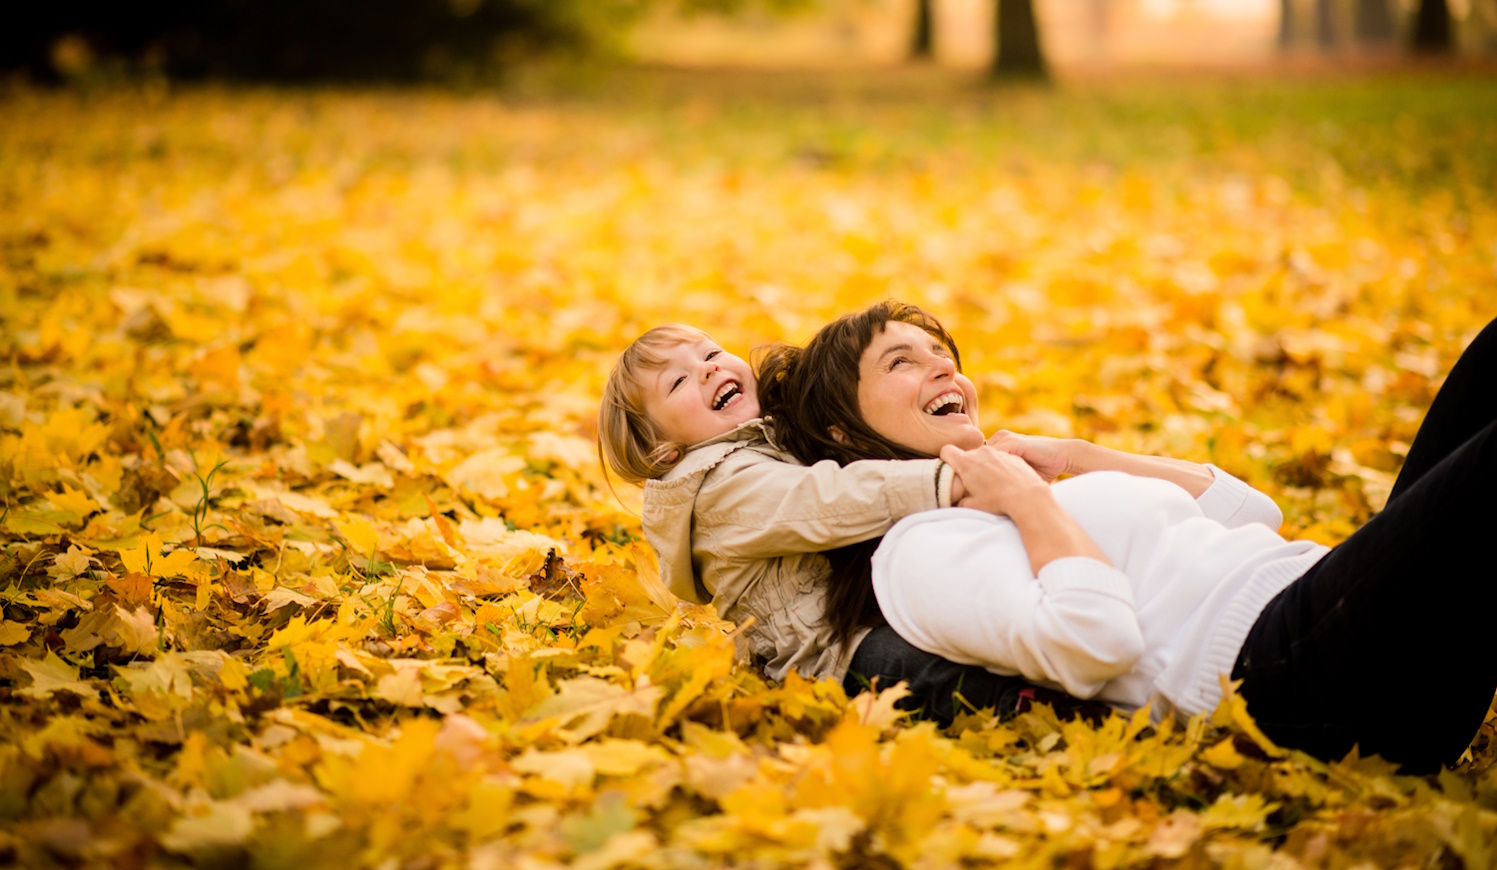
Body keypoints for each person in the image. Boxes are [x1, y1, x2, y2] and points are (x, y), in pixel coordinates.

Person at [758, 300, 1497, 772]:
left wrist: (1077, 458)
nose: (941, 365)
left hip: (1325, 602)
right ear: (841, 430)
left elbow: (1253, 515)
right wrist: (1026, 502)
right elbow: (1092, 642)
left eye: (939, 352)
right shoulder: (915, 553)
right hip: (1300, 679)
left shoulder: (1031, 485)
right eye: (900, 361)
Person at [596, 323, 1045, 721]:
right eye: (678, 381)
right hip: (830, 655)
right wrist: (945, 480)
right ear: (661, 448)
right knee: (919, 669)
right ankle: (1025, 706)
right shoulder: (719, 491)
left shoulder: (761, 442)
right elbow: (825, 501)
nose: (708, 370)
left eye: (710, 354)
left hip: (864, 611)